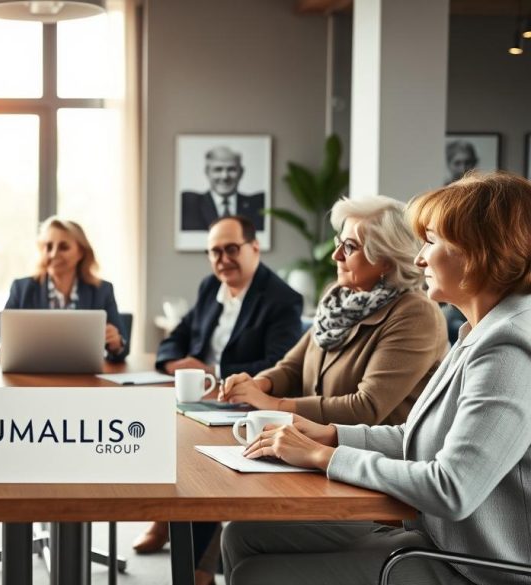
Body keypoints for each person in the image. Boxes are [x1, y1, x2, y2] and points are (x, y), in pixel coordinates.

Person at [223, 172, 531, 585]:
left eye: (432, 241)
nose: (420, 257)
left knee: (261, 575)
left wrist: (323, 457)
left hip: (476, 568)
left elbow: (452, 488)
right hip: (430, 538)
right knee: (244, 533)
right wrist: (329, 434)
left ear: (479, 253)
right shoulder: (475, 332)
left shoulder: (508, 349)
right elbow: (416, 438)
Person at [133, 215, 303, 569]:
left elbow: (280, 364)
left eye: (231, 249)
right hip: (195, 398)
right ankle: (168, 517)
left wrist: (213, 373)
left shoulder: (281, 299)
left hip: (238, 404)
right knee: (153, 432)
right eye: (214, 252)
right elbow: (174, 338)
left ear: (254, 248)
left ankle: (197, 566)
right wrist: (173, 364)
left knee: (199, 466)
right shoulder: (210, 287)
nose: (222, 259)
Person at [220, 195, 447, 426]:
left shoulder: (416, 314)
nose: (335, 255)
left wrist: (275, 406)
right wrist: (256, 385)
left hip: (367, 457)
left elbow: (365, 408)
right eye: (339, 242)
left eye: (349, 247)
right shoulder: (339, 300)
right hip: (311, 446)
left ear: (387, 260)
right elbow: (292, 368)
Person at [0, 216, 129, 362]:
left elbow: (123, 347)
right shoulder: (22, 289)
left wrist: (117, 344)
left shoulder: (102, 291)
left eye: (63, 247)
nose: (53, 254)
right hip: (32, 375)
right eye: (48, 246)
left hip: (84, 378)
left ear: (81, 253)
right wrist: (2, 348)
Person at [181, 146, 266, 231]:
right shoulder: (189, 205)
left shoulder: (258, 205)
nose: (225, 176)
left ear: (241, 172)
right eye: (218, 169)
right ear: (207, 172)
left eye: (231, 169)